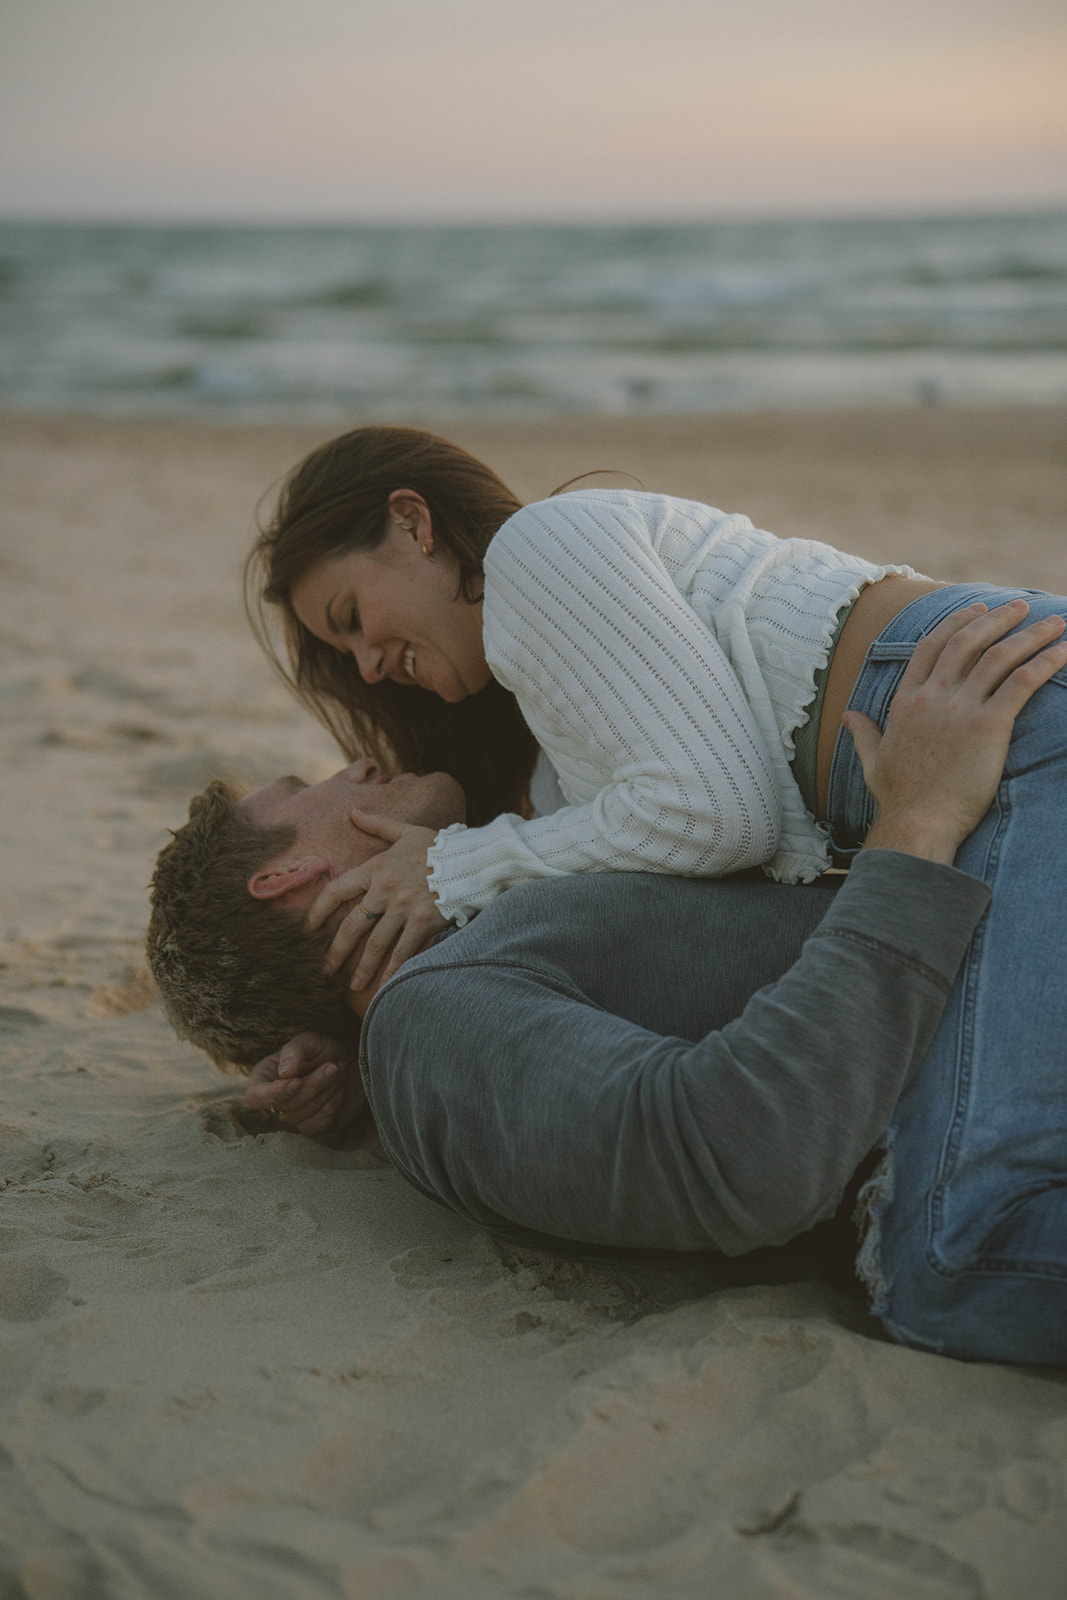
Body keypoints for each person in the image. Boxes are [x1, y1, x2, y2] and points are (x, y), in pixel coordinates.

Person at [148, 605, 1067, 1363]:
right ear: (289, 879)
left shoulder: (503, 900)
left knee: (948, 1262)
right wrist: (916, 827)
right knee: (948, 1259)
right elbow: (739, 1156)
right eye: (297, 785)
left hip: (1012, 946)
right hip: (992, 1026)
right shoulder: (420, 1028)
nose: (348, 764)